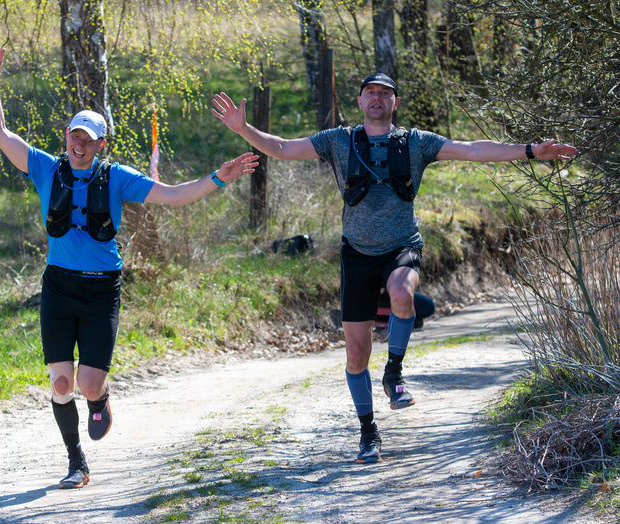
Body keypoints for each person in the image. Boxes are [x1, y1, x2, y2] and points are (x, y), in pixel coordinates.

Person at [211, 73, 577, 464]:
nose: (377, 98)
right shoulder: (338, 140)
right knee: (356, 353)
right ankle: (368, 432)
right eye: (370, 92)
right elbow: (283, 147)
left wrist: (530, 151)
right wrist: (243, 128)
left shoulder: (417, 142)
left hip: (402, 244)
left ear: (394, 103)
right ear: (359, 101)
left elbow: (472, 149)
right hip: (356, 253)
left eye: (385, 93)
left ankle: (394, 373)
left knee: (403, 292)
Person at [0, 38, 258, 488]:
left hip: (101, 289)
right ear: (66, 136)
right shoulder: (45, 167)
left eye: (87, 139)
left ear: (101, 144)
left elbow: (174, 195)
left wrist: (219, 178)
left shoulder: (116, 177)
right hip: (58, 286)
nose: (78, 144)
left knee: (87, 384)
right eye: (74, 135)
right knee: (60, 383)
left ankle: (100, 398)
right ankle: (76, 462)